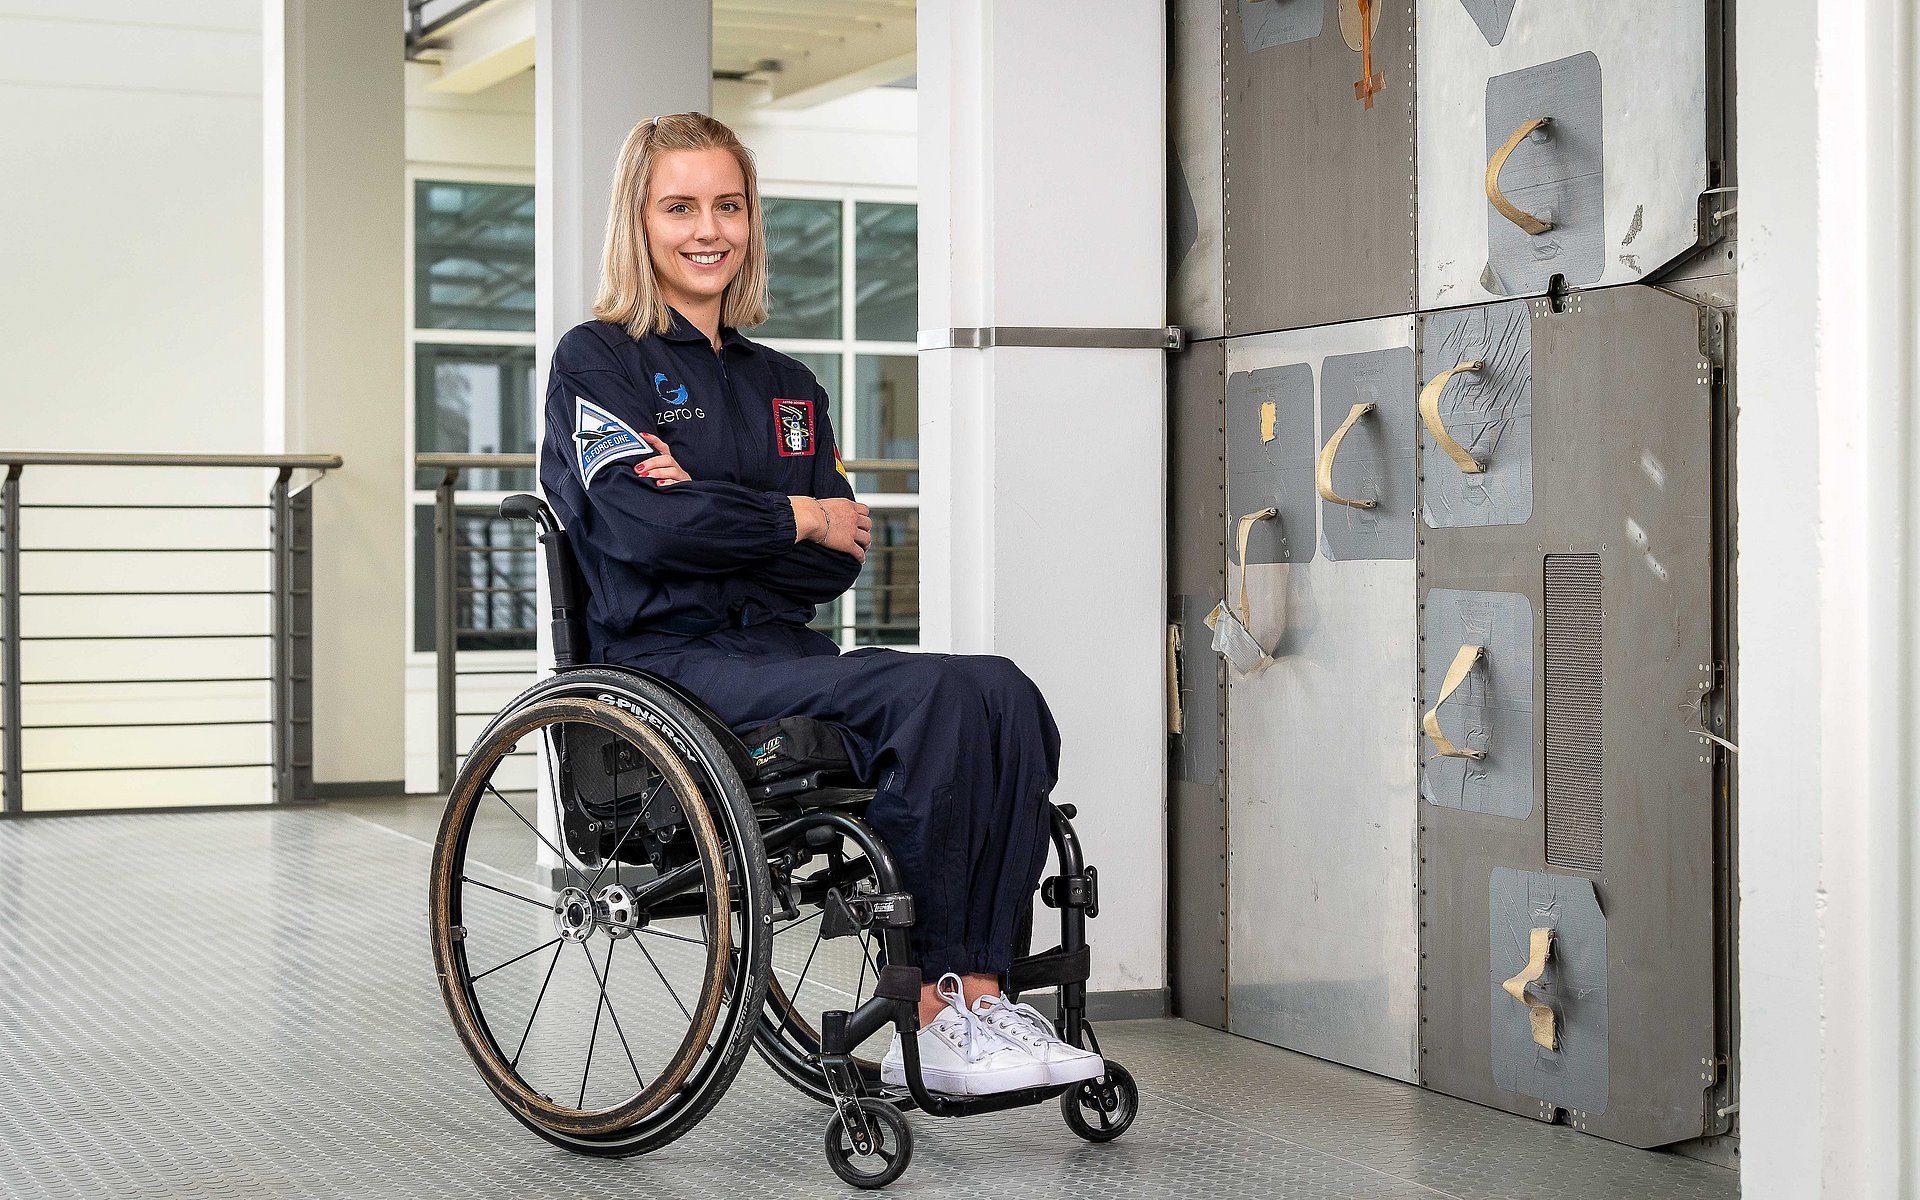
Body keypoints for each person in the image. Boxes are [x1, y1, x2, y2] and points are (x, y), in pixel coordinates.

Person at [537, 112, 1102, 1097]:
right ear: (639, 220)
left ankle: (978, 993)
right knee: (924, 701)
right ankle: (933, 1012)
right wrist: (796, 514)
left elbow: (833, 563)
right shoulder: (599, 362)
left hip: (782, 651)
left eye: (729, 205)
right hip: (666, 674)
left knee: (1001, 690)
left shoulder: (787, 385)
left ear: (751, 220)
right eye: (680, 206)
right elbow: (645, 533)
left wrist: (736, 518)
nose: (708, 228)